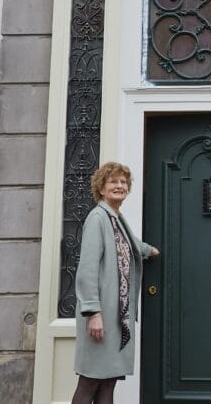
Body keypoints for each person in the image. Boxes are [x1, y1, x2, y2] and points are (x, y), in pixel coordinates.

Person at [73, 162, 159, 404]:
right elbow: (87, 270)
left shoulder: (116, 218)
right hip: (101, 315)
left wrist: (149, 250)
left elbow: (130, 244)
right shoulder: (97, 218)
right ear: (101, 188)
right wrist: (93, 312)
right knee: (90, 380)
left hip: (116, 317)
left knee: (108, 381)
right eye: (113, 182)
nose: (120, 186)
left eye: (123, 182)